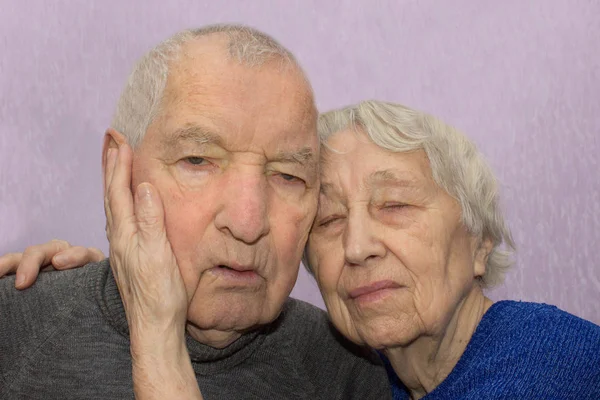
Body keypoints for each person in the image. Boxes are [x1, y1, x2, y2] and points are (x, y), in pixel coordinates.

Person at [7, 100, 600, 399]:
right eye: (331, 219)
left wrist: (155, 335)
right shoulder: (370, 375)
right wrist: (101, 296)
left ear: (480, 242)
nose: (359, 246)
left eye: (395, 205)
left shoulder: (544, 368)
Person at [0, 25, 392, 400]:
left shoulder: (351, 374)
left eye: (288, 176)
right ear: (117, 172)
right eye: (198, 160)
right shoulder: (13, 328)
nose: (247, 222)